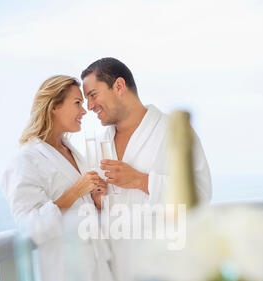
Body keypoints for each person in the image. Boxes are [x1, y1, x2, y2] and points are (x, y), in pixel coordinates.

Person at [2, 75, 120, 281]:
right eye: (77, 103)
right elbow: (30, 228)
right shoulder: (25, 160)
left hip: (99, 272)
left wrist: (96, 201)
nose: (84, 110)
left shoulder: (71, 151)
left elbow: (81, 212)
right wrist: (76, 192)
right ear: (54, 106)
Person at [81, 57, 212, 208]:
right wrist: (98, 203)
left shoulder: (173, 132)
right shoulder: (98, 144)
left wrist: (141, 180)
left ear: (118, 86)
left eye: (93, 95)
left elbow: (201, 193)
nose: (89, 106)